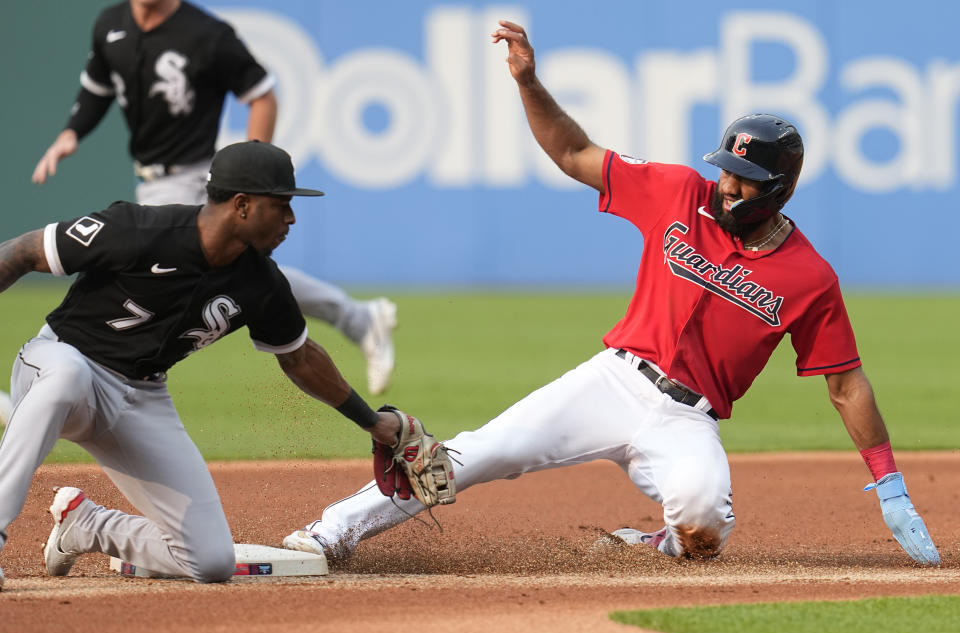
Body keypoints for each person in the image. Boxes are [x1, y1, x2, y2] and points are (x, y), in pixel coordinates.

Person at [281, 21, 940, 567]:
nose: (726, 185)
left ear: (780, 189)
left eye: (743, 179)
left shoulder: (809, 276)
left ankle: (660, 541)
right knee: (474, 454)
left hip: (689, 418)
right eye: (726, 169)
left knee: (706, 525)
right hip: (614, 380)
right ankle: (329, 533)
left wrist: (888, 480)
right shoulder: (680, 192)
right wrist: (528, 82)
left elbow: (846, 384)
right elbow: (572, 152)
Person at [0, 141, 406, 590]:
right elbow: (20, 252)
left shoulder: (262, 282)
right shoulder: (140, 228)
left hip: (140, 397)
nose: (291, 218)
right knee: (67, 378)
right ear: (242, 205)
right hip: (59, 360)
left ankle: (88, 526)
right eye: (281, 205)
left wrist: (372, 423)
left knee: (210, 561)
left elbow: (301, 359)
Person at [30, 0, 396, 395]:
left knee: (235, 271)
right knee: (244, 272)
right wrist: (72, 132)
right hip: (150, 177)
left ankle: (43, 376)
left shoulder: (206, 33)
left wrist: (252, 174)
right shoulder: (111, 24)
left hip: (191, 177)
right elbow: (97, 87)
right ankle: (358, 317)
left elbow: (262, 95)